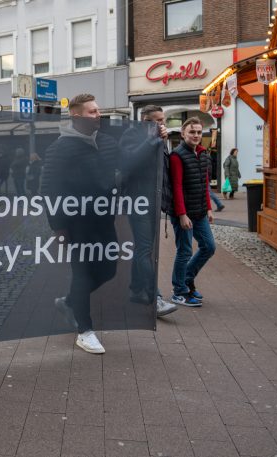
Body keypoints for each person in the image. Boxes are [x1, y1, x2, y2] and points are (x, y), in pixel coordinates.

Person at [42, 94, 118, 354]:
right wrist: (58, 227)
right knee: (82, 274)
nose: (98, 115)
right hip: (76, 224)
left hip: (104, 219)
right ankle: (85, 331)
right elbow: (48, 188)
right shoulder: (59, 148)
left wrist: (157, 138)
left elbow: (127, 164)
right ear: (76, 116)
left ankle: (69, 301)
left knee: (109, 269)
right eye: (92, 112)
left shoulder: (106, 142)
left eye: (98, 111)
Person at [118, 105, 177, 317]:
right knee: (144, 249)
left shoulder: (159, 139)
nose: (162, 124)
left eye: (163, 120)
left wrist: (168, 201)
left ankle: (135, 290)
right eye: (157, 120)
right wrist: (153, 140)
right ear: (145, 120)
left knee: (144, 248)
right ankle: (156, 298)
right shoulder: (131, 134)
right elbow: (129, 163)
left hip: (153, 201)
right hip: (137, 201)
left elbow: (163, 171)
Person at [169, 117, 216, 307]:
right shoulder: (176, 156)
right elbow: (177, 186)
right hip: (184, 213)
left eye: (198, 132)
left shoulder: (204, 154)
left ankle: (187, 278)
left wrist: (209, 208)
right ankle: (179, 291)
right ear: (183, 134)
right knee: (185, 251)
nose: (196, 135)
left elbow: (205, 184)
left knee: (209, 247)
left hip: (200, 211)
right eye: (192, 132)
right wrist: (181, 214)